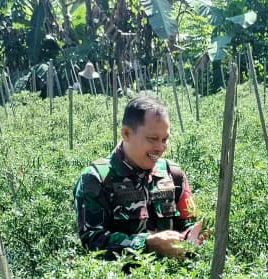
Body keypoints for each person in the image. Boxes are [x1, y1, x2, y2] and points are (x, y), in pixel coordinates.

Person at [75, 94, 199, 260]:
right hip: (121, 276)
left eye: (164, 139)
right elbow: (92, 240)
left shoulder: (173, 174)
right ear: (126, 133)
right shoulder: (96, 178)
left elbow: (189, 222)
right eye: (152, 139)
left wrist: (192, 235)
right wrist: (146, 244)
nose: (160, 147)